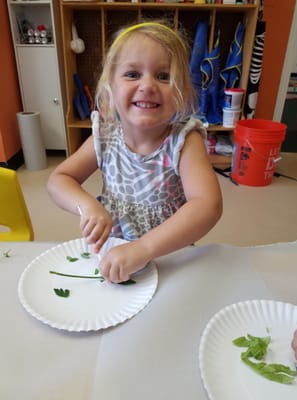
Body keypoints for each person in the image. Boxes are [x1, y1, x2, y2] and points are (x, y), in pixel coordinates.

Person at [47, 21, 222, 283]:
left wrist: (143, 249)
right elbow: (58, 179)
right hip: (113, 257)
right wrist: (88, 207)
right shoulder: (105, 136)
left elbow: (208, 205)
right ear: (110, 88)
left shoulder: (184, 140)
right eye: (132, 74)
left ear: (182, 93)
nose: (148, 85)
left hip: (168, 258)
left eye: (164, 76)